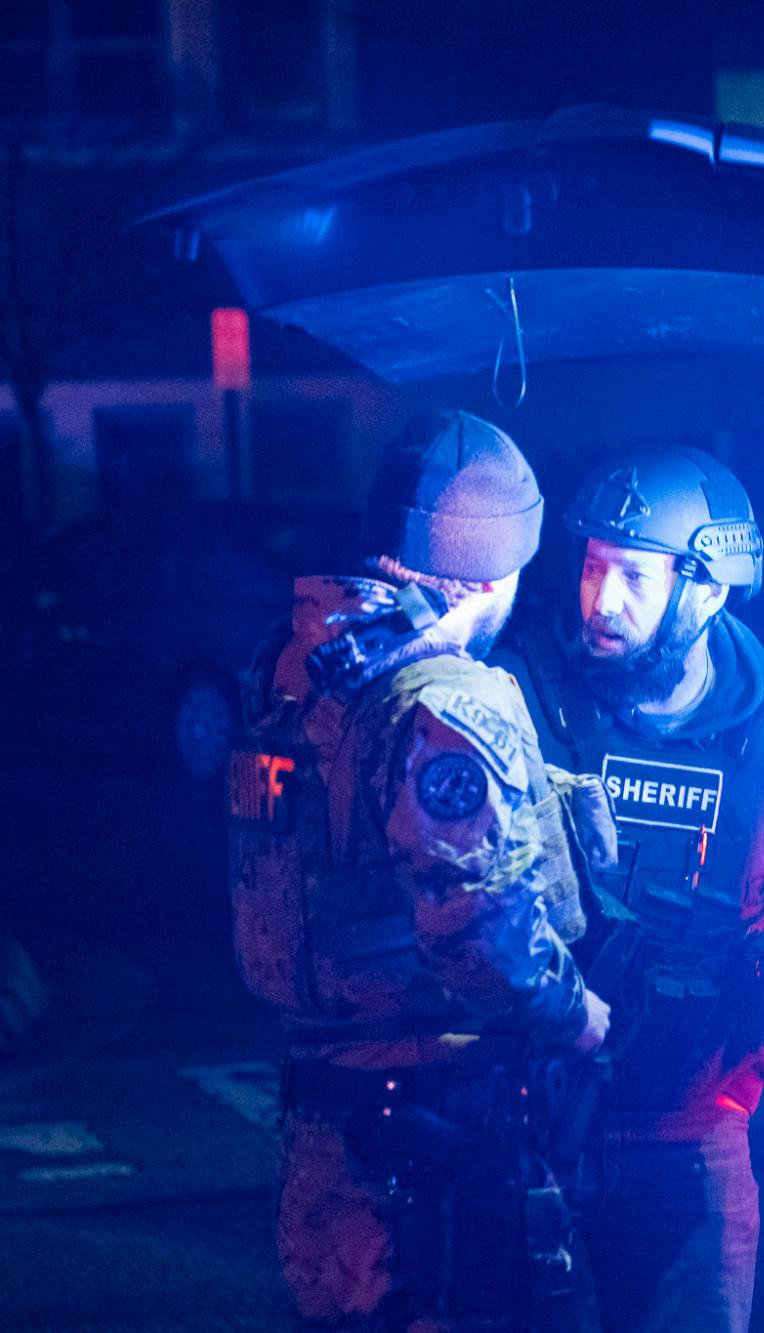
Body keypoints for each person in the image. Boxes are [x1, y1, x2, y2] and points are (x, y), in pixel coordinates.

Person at [228, 409, 612, 1330]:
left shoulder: (293, 665)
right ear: (493, 566)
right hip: (434, 1145)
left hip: (322, 1128)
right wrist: (579, 1015)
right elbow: (476, 924)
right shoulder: (443, 703)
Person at [499, 448, 764, 1333]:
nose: (601, 601)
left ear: (708, 588)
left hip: (692, 1142)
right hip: (531, 1133)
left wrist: (742, 1075)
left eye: (633, 576)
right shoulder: (522, 696)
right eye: (592, 567)